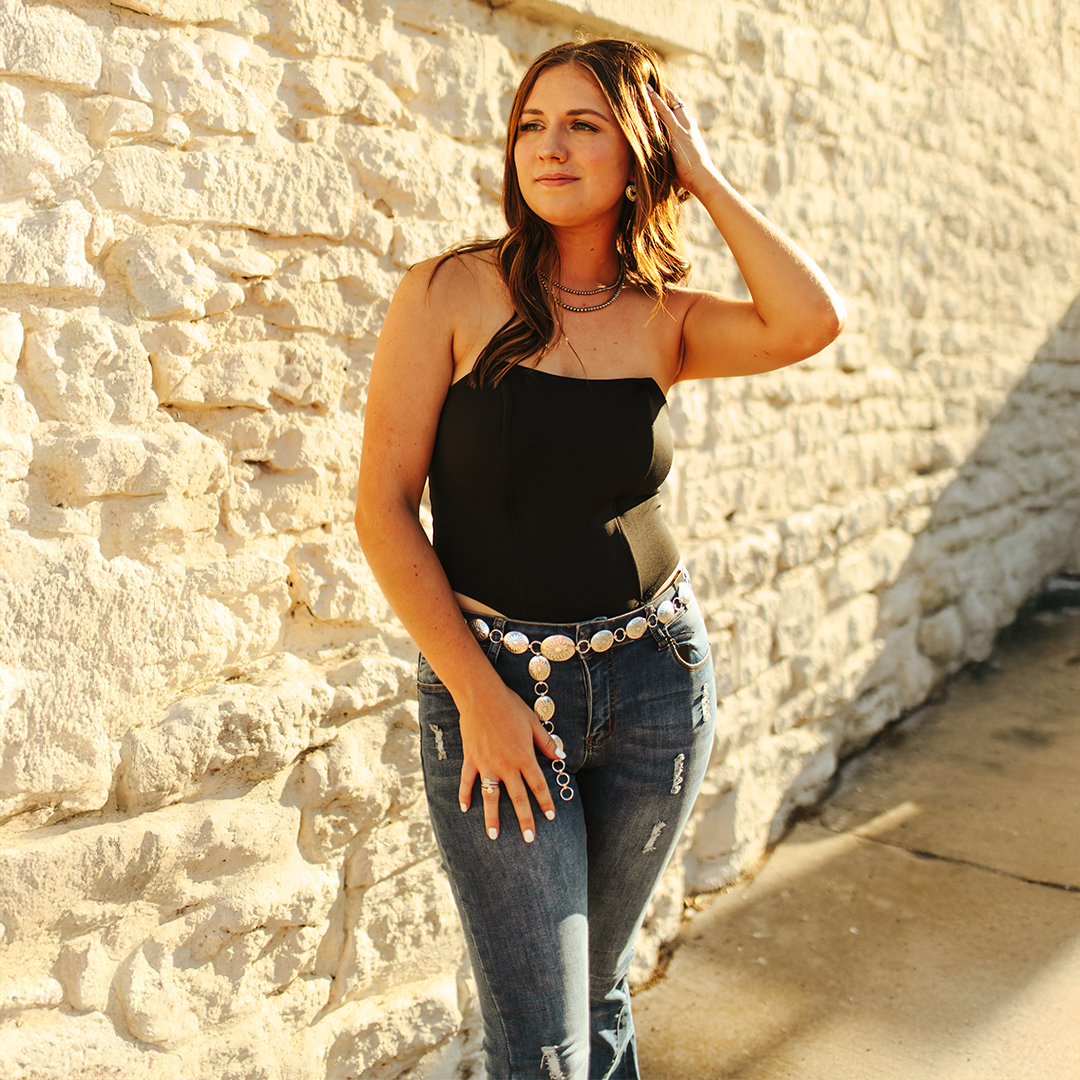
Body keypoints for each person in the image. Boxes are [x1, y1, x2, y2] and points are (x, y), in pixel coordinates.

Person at [354, 37, 844, 1080]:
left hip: (659, 683)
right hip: (499, 695)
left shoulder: (663, 318)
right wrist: (479, 700)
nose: (551, 146)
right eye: (533, 123)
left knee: (601, 987)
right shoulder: (446, 293)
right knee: (541, 1046)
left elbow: (810, 320)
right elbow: (385, 511)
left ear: (638, 153)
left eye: (584, 124)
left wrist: (701, 174)